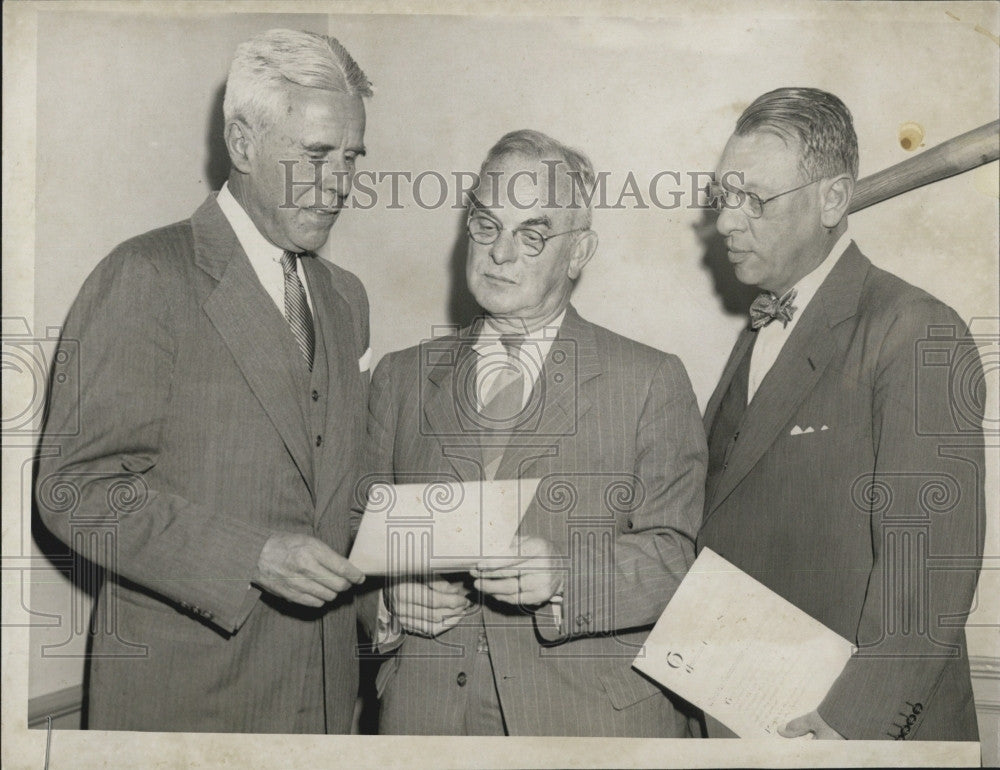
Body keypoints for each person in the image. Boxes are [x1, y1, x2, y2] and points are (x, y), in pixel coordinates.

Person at [35, 28, 374, 733]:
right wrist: (251, 556)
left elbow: (338, 494)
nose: (340, 183)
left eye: (350, 157)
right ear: (244, 144)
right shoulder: (146, 276)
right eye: (316, 155)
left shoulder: (346, 299)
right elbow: (76, 490)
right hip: (188, 706)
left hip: (327, 704)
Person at [355, 129, 707, 736]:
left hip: (586, 724)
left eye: (533, 233)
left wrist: (568, 574)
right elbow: (350, 536)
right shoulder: (399, 378)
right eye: (487, 226)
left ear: (578, 252)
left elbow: (676, 559)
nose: (500, 253)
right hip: (428, 720)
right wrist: (386, 601)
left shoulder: (650, 379)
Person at [698, 87, 985, 740]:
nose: (726, 224)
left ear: (832, 199)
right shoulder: (761, 327)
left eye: (754, 201)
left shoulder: (915, 329)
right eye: (723, 198)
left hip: (848, 733)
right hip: (751, 713)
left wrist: (854, 723)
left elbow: (929, 565)